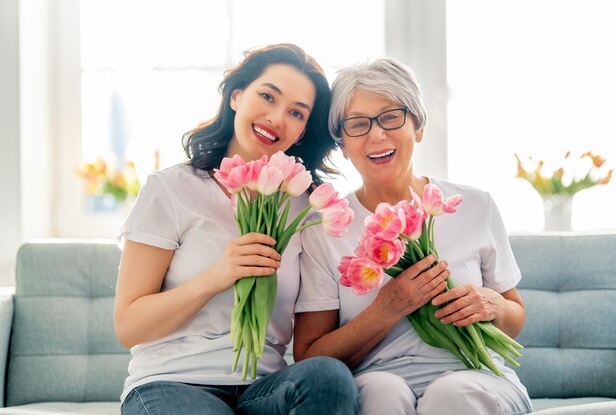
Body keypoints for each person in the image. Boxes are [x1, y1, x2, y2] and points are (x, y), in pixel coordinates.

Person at [114, 43, 359, 415]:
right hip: (173, 383)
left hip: (263, 388)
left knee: (328, 376)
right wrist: (217, 276)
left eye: (296, 112)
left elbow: (315, 333)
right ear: (236, 96)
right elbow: (129, 326)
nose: (277, 117)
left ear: (303, 130)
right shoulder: (171, 189)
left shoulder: (307, 206)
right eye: (267, 96)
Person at [293, 57, 533, 415]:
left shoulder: (474, 206)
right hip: (375, 377)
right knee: (381, 393)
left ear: (418, 127)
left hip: (476, 375)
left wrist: (492, 306)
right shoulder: (326, 226)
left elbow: (515, 316)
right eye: (358, 124)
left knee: (451, 395)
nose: (377, 135)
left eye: (391, 117)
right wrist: (386, 309)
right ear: (342, 144)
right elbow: (309, 356)